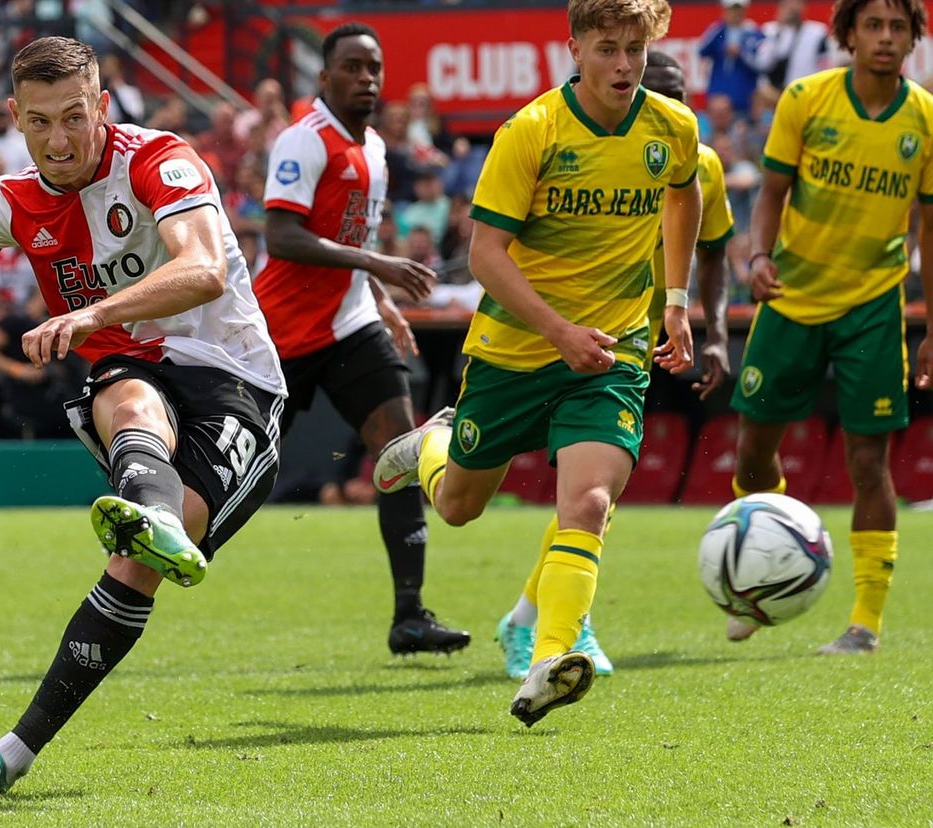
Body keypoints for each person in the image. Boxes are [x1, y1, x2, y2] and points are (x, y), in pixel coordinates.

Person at [0, 36, 286, 796]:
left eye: (75, 116)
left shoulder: (158, 160)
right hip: (133, 380)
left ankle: (155, 513)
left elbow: (203, 269)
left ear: (103, 106)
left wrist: (92, 313)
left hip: (234, 381)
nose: (60, 139)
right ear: (14, 117)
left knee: (135, 563)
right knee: (124, 390)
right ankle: (9, 758)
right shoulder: (13, 200)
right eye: (39, 122)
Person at [374, 0, 701, 726]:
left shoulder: (672, 126)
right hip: (518, 350)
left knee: (588, 503)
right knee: (457, 507)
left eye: (635, 49)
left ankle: (552, 655)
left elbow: (686, 195)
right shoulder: (532, 131)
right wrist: (557, 331)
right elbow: (485, 255)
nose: (623, 64)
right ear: (575, 48)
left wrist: (675, 298)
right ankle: (430, 441)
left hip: (611, 352)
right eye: (607, 48)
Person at [493, 49, 736, 682]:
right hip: (567, 330)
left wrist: (707, 330)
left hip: (637, 340)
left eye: (673, 95)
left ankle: (547, 628)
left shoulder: (694, 159)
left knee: (593, 497)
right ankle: (536, 621)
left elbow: (716, 253)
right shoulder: (557, 135)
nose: (656, 105)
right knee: (506, 499)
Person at [256, 23, 470, 656]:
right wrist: (378, 270)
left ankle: (410, 616)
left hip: (351, 325)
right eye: (351, 67)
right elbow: (280, 236)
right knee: (241, 466)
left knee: (400, 452)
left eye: (373, 67)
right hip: (283, 334)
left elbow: (355, 240)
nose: (366, 78)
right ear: (325, 78)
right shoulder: (304, 141)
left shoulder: (374, 149)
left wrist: (377, 300)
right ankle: (151, 562)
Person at [730, 0, 933, 654]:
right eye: (872, 25)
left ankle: (865, 623)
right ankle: (762, 572)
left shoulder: (926, 120)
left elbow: (930, 227)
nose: (884, 37)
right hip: (791, 297)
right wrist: (758, 256)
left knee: (869, 461)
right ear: (848, 35)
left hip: (874, 306)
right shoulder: (806, 99)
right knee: (753, 452)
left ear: (912, 38)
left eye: (897, 26)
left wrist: (931, 323)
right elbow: (769, 194)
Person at [0, 289, 89, 437]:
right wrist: (18, 370)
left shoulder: (77, 319)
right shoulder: (19, 320)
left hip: (72, 412)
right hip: (29, 414)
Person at [699, 0, 764, 117]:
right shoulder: (718, 30)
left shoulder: (754, 32)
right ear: (725, 11)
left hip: (744, 98)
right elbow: (702, 50)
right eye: (732, 10)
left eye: (738, 10)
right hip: (718, 98)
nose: (735, 14)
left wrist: (741, 53)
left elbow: (761, 64)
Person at [756, 0, 831, 95]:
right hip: (771, 94)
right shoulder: (769, 29)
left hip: (803, 92)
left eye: (796, 2)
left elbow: (825, 69)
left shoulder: (817, 32)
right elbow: (762, 64)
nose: (792, 7)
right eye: (787, 3)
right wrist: (779, 30)